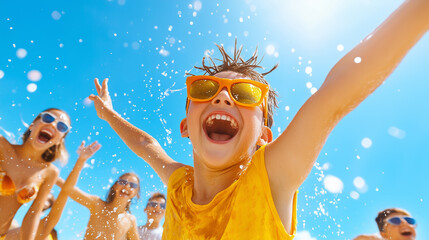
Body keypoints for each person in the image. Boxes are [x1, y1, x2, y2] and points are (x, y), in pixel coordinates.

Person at [88, 0, 429, 238]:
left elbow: (335, 95)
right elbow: (147, 145)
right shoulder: (178, 185)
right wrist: (108, 114)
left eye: (246, 94)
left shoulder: (270, 178)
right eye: (206, 89)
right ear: (185, 128)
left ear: (263, 136)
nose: (222, 97)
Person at [5, 141, 101, 240]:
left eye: (49, 200)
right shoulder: (15, 225)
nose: (46, 198)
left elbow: (65, 191)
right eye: (47, 196)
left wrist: (80, 161)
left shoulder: (43, 227)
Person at [0, 109, 71, 239]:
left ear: (59, 141)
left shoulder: (50, 173)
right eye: (48, 118)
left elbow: (33, 215)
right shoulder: (2, 147)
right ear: (32, 125)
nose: (53, 125)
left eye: (62, 127)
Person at [57, 172, 140, 239]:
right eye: (123, 182)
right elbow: (69, 189)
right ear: (115, 186)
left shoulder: (130, 220)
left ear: (136, 193)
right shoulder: (97, 204)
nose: (127, 186)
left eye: (133, 185)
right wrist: (54, 176)